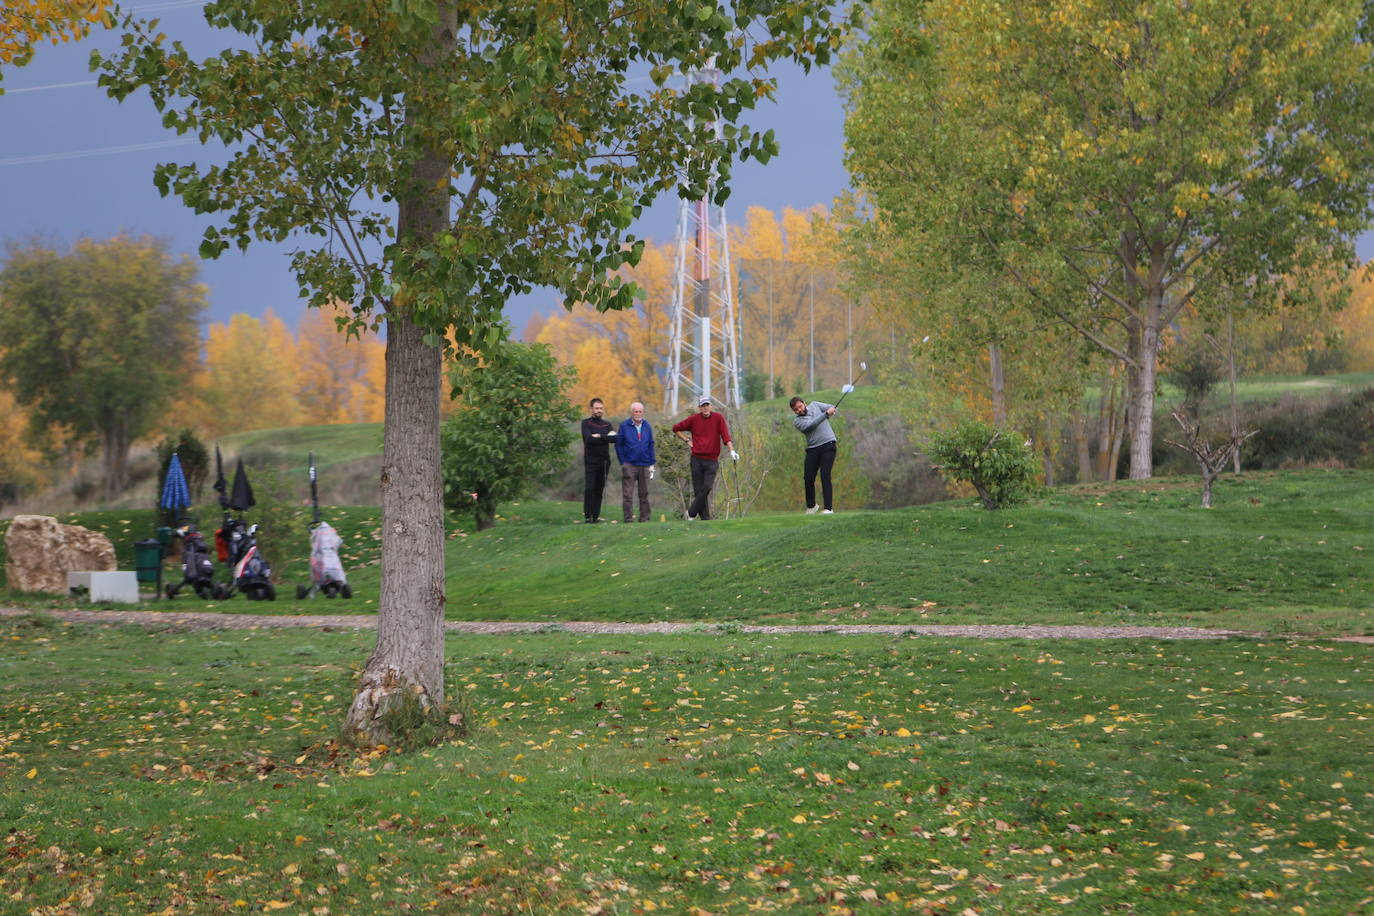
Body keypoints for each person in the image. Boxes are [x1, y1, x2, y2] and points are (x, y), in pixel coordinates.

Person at [672, 396, 736, 521]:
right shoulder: (694, 419)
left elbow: (726, 436)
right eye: (703, 406)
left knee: (707, 487)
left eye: (707, 405)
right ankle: (705, 520)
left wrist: (732, 450)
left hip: (712, 460)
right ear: (699, 408)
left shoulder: (718, 418)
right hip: (696, 459)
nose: (705, 408)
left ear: (711, 406)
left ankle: (691, 513)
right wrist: (687, 440)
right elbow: (676, 428)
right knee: (699, 491)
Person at [790, 394, 842, 514]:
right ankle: (811, 506)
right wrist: (825, 415)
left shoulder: (815, 405)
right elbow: (811, 425)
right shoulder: (797, 421)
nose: (799, 410)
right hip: (813, 449)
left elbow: (831, 407)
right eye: (796, 409)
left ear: (804, 403)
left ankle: (828, 508)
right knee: (808, 478)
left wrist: (832, 410)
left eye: (800, 406)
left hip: (828, 444)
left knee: (825, 475)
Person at [615, 402, 656, 523]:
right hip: (629, 464)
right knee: (627, 495)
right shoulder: (624, 426)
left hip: (645, 464)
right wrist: (623, 461)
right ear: (631, 412)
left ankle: (645, 518)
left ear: (643, 412)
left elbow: (650, 445)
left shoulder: (647, 426)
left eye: (640, 411)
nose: (638, 413)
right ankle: (628, 519)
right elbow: (619, 445)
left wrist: (652, 462)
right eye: (635, 411)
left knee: (644, 494)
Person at [581, 397, 616, 523]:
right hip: (591, 460)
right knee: (590, 487)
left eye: (601, 408)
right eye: (596, 408)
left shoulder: (607, 424)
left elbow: (615, 439)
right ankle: (588, 515)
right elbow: (588, 439)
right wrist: (605, 437)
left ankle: (596, 516)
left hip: (605, 461)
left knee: (599, 489)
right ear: (591, 409)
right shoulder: (586, 423)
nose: (599, 410)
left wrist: (599, 436)